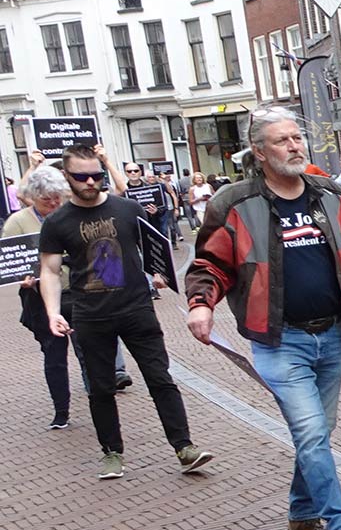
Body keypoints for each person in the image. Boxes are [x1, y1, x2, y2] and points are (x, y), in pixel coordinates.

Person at [186, 107, 341, 530]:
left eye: (297, 137)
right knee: (311, 432)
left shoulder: (334, 196)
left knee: (317, 434)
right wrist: (201, 303)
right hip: (279, 342)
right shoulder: (234, 203)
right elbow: (210, 264)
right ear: (260, 152)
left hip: (334, 338)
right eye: (282, 141)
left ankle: (301, 518)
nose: (294, 146)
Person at [37, 146, 214, 480]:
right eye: (82, 177)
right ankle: (112, 453)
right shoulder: (57, 222)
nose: (91, 182)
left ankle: (184, 447)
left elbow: (152, 247)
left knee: (160, 378)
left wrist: (160, 272)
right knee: (101, 388)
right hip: (91, 315)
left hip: (136, 308)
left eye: (97, 175)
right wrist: (53, 312)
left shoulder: (128, 208)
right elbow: (49, 270)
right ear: (67, 177)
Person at [9, 163, 76, 428]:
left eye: (58, 198)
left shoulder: (71, 215)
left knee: (90, 350)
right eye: (47, 199)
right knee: (54, 355)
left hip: (76, 293)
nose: (54, 204)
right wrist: (22, 279)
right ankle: (61, 410)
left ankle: (99, 396)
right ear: (34, 197)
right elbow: (12, 261)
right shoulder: (18, 222)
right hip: (41, 298)